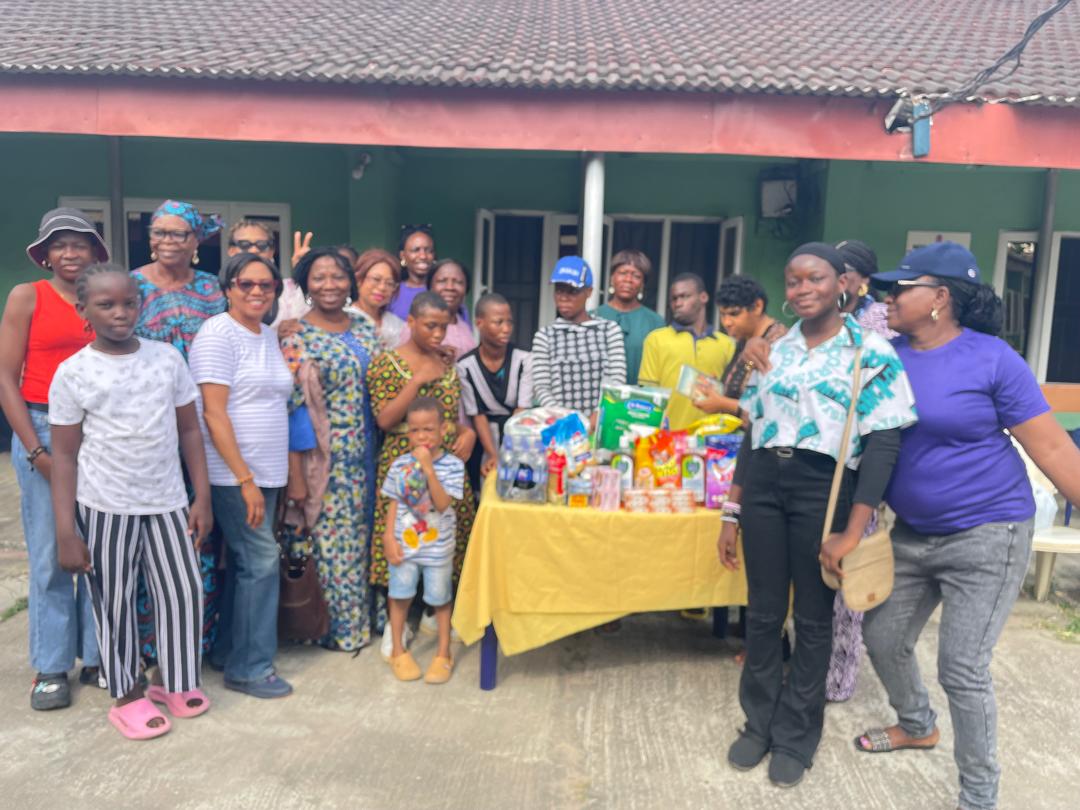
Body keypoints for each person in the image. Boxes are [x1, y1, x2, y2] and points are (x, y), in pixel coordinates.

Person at [852, 242, 1080, 810]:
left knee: (961, 666)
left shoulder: (993, 359)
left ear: (940, 297)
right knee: (881, 637)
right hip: (912, 533)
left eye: (902, 287)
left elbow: (1053, 448)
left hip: (989, 533)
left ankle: (979, 796)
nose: (889, 296)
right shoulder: (885, 356)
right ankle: (917, 724)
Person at [717, 242, 917, 788]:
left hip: (823, 487)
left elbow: (883, 443)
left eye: (816, 278)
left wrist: (853, 530)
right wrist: (732, 511)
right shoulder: (773, 350)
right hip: (764, 483)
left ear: (842, 283)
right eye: (794, 280)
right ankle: (758, 722)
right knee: (761, 614)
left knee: (812, 618)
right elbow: (753, 431)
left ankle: (796, 735)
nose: (803, 289)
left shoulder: (870, 351)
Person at [49, 263, 212, 740]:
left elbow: (189, 430)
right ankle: (126, 694)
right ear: (83, 310)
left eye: (129, 303)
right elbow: (64, 456)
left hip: (167, 500)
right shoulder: (74, 373)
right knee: (114, 602)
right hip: (105, 505)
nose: (120, 313)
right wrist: (66, 530)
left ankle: (175, 681)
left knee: (182, 591)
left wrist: (200, 495)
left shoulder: (166, 359)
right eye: (106, 305)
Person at [0, 208, 108, 709]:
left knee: (98, 548)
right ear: (44, 254)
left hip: (100, 430)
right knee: (50, 551)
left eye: (79, 243)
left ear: (94, 252)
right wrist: (34, 448)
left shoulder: (103, 297)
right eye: (58, 245)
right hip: (42, 425)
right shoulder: (28, 296)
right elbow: (6, 379)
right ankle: (51, 664)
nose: (69, 253)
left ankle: (97, 656)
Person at [189, 252, 294, 699]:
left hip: (265, 471)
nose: (256, 291)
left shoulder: (265, 333)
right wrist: (244, 478)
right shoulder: (217, 334)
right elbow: (213, 413)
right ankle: (250, 669)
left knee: (245, 562)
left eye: (266, 285)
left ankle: (229, 650)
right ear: (227, 288)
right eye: (246, 284)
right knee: (261, 560)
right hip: (233, 473)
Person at [130, 200, 226, 662]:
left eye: (177, 233)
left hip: (204, 427)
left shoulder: (212, 288)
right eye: (159, 232)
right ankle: (150, 645)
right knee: (152, 538)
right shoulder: (131, 285)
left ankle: (196, 643)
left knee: (200, 533)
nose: (167, 241)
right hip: (148, 431)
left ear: (195, 241)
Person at [281, 248, 380, 652]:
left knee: (365, 541)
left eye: (338, 276)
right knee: (332, 546)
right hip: (327, 460)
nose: (329, 285)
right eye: (319, 277)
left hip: (369, 456)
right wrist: (297, 476)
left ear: (351, 282)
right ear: (306, 284)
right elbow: (292, 409)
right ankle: (336, 630)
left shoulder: (365, 326)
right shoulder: (296, 335)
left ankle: (367, 619)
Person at [368, 292, 477, 660]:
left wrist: (465, 433)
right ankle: (397, 623)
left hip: (444, 466)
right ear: (411, 322)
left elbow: (451, 414)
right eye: (430, 326)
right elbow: (385, 419)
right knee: (402, 543)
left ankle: (435, 611)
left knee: (443, 541)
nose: (438, 334)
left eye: (444, 327)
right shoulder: (386, 364)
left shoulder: (446, 362)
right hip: (404, 464)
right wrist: (416, 380)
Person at [825, 238, 894, 703]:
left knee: (851, 571)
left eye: (844, 270)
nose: (837, 278)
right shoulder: (824, 319)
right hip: (822, 461)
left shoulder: (879, 325)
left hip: (863, 461)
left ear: (863, 280)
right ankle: (813, 660)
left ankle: (839, 677)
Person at [381, 397, 466, 684]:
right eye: (415, 430)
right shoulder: (400, 465)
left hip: (438, 548)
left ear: (443, 429)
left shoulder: (452, 465)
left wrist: (428, 469)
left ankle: (443, 653)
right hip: (404, 545)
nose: (421, 437)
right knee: (400, 595)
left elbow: (442, 504)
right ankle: (398, 650)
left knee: (440, 598)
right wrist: (388, 537)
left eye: (428, 429)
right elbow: (393, 503)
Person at [531, 256, 625, 424]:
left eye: (572, 291)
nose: (563, 297)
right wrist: (566, 419)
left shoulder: (609, 331)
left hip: (601, 423)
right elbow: (542, 387)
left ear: (589, 292)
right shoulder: (545, 336)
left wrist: (599, 412)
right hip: (561, 426)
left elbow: (616, 380)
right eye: (559, 290)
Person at [638, 273, 736, 430]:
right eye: (674, 299)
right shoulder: (656, 339)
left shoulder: (726, 344)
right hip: (667, 437)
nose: (678, 303)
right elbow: (648, 394)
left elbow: (736, 389)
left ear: (703, 297)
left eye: (684, 296)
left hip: (713, 437)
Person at [457, 293, 534, 486]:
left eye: (509, 322)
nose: (506, 329)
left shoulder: (524, 359)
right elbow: (477, 414)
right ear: (479, 323)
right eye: (498, 322)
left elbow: (521, 409)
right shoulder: (465, 366)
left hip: (517, 437)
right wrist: (493, 454)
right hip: (484, 442)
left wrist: (507, 452)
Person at [692, 275, 786, 418]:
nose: (726, 322)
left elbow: (774, 406)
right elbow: (743, 382)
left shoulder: (778, 343)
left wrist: (721, 403)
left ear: (757, 307)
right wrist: (716, 389)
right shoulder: (745, 338)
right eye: (723, 315)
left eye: (734, 314)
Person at [595, 249, 665, 384]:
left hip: (641, 395)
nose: (628, 280)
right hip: (597, 395)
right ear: (611, 278)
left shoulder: (655, 322)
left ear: (643, 284)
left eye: (636, 276)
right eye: (622, 273)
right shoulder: (593, 317)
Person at [400, 258, 476, 360]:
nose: (450, 287)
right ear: (430, 287)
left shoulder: (464, 326)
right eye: (442, 281)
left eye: (458, 282)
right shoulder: (415, 326)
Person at [352, 248, 407, 350]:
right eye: (376, 279)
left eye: (389, 283)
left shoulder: (396, 325)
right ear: (359, 280)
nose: (382, 288)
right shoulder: (342, 319)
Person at [837, 239, 892, 337]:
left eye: (844, 269)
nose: (836, 275)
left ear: (865, 279)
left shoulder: (884, 318)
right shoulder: (818, 314)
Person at [389, 224, 437, 320]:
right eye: (416, 250)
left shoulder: (443, 290)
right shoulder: (392, 291)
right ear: (403, 256)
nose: (423, 256)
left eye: (428, 250)